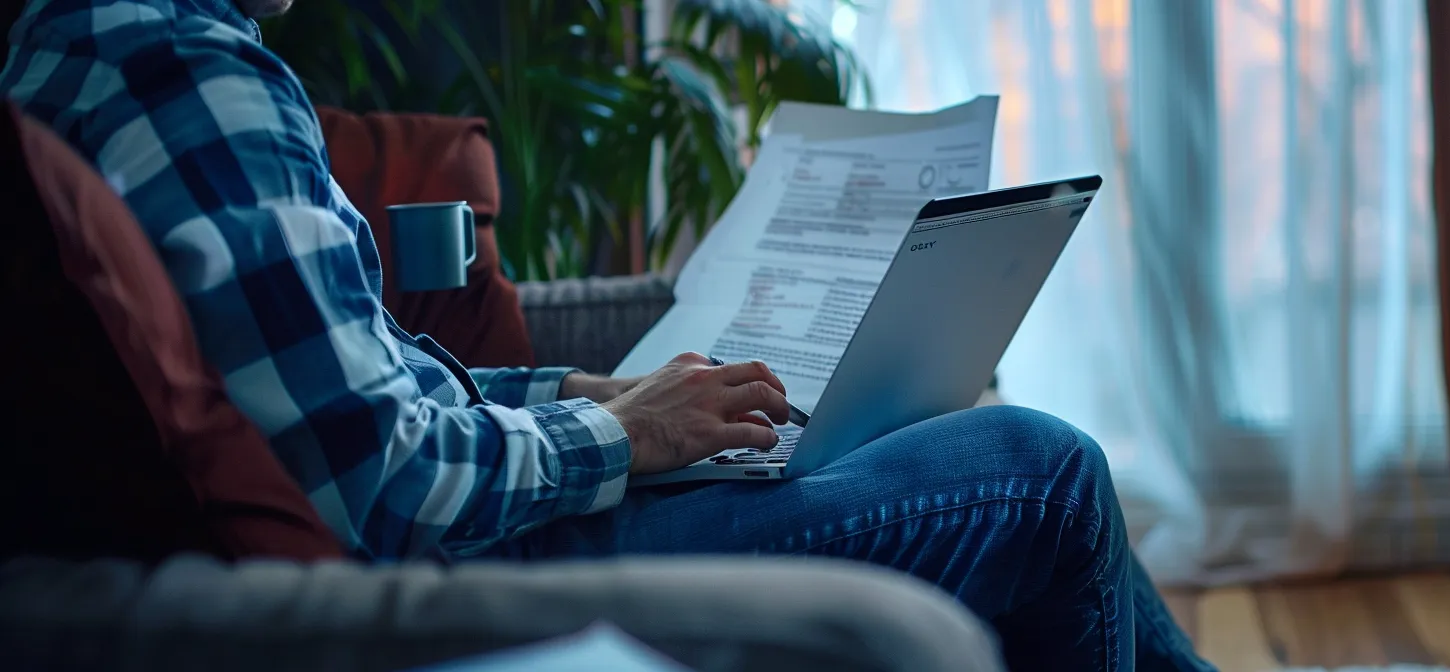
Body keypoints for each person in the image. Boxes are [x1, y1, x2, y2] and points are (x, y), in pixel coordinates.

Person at [1, 0, 1214, 669]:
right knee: (1040, 473)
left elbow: (345, 392)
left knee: (888, 439)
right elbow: (396, 484)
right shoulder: (185, 69)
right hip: (469, 567)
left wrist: (576, 386)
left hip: (470, 519)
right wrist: (617, 436)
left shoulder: (76, 47)